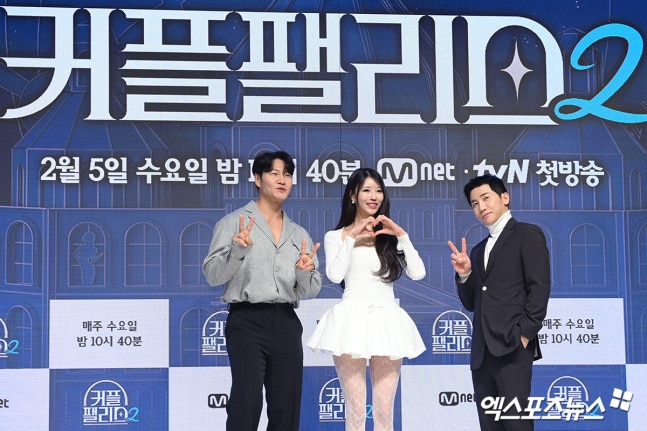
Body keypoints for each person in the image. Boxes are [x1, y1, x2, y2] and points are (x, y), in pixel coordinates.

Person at [202, 150, 322, 431]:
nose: (282, 180)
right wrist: (237, 250)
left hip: (286, 321)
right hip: (247, 320)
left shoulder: (299, 233)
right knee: (247, 402)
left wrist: (304, 273)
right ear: (257, 178)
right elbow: (212, 275)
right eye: (274, 173)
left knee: (286, 406)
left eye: (287, 174)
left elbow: (311, 290)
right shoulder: (233, 223)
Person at [307, 168, 426, 431]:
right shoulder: (336, 236)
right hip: (351, 321)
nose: (374, 196)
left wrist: (401, 235)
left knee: (383, 411)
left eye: (379, 191)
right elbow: (334, 274)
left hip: (387, 320)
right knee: (356, 410)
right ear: (353, 195)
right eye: (367, 190)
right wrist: (351, 239)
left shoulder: (389, 236)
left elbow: (418, 273)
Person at [448, 174, 550, 431]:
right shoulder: (478, 250)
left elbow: (539, 288)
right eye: (474, 204)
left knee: (516, 424)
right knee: (489, 425)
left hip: (512, 347)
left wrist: (524, 335)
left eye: (486, 198)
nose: (481, 207)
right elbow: (472, 303)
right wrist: (465, 274)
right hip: (482, 353)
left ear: (505, 197)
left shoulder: (527, 234)